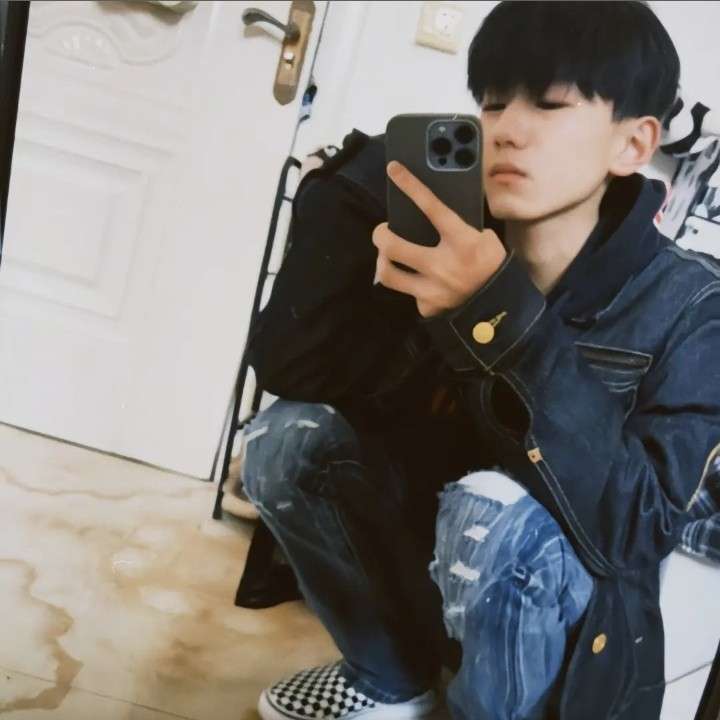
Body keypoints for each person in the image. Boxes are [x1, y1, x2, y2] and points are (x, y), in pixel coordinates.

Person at [240, 2, 720, 718]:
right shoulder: (446, 244)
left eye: (549, 104)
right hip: (436, 573)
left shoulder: (692, 304)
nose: (507, 130)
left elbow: (635, 534)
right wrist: (351, 190)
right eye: (492, 103)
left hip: (573, 636)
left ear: (633, 143)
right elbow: (290, 371)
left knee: (493, 510)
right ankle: (390, 681)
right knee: (284, 441)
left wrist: (499, 315)